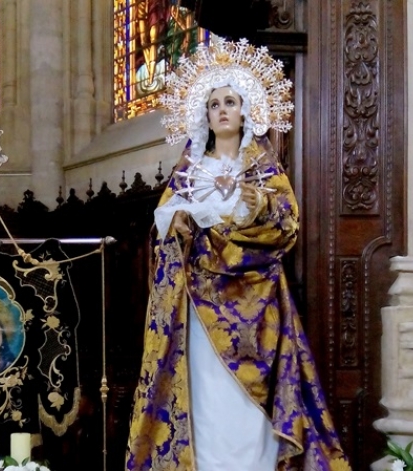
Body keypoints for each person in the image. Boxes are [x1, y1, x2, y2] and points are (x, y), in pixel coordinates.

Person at [125, 38, 352, 471]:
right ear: (204, 115)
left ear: (247, 109)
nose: (223, 110)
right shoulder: (189, 170)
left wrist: (256, 207)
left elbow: (287, 224)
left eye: (231, 101)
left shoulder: (264, 169)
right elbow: (165, 220)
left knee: (249, 398)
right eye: (214, 104)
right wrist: (179, 222)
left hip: (257, 298)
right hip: (198, 300)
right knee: (207, 389)